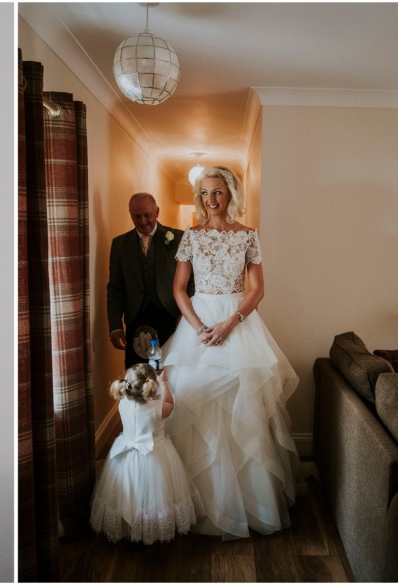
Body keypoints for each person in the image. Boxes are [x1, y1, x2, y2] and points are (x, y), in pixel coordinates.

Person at [162, 166, 299, 539]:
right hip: (199, 324)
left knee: (247, 406)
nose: (211, 200)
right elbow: (179, 288)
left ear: (231, 194)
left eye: (217, 192)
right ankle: (196, 502)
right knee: (195, 403)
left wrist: (231, 323)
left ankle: (251, 503)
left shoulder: (248, 236)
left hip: (238, 324)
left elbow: (257, 289)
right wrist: (198, 327)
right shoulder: (191, 236)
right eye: (205, 193)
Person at [89, 363, 205, 544]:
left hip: (124, 454)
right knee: (154, 494)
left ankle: (129, 523)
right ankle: (151, 527)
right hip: (154, 455)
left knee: (129, 490)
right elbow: (170, 404)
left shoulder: (122, 403)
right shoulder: (158, 406)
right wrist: (164, 383)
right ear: (151, 386)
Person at [107, 193, 192, 368]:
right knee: (137, 373)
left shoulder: (179, 238)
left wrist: (185, 315)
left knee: (170, 370)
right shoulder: (119, 244)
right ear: (130, 215)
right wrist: (115, 326)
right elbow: (115, 288)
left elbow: (191, 282)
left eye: (147, 215)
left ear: (157, 212)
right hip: (135, 319)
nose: (143, 220)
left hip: (171, 318)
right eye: (137, 216)